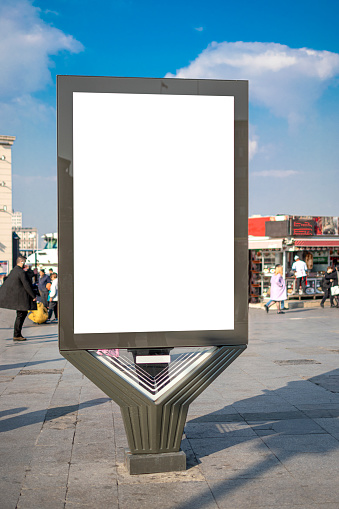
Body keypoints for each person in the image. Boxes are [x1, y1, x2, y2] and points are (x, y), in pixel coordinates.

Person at [0, 256, 37, 341]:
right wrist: (33, 296)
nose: (25, 264)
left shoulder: (13, 271)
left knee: (20, 315)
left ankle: (17, 334)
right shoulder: (21, 272)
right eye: (25, 262)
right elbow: (26, 285)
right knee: (21, 315)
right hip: (22, 299)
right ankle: (17, 335)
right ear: (21, 262)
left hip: (18, 298)